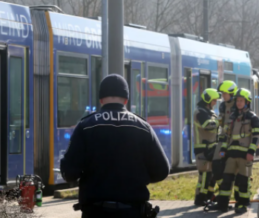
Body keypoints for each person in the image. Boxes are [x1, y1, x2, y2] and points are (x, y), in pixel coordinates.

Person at [60, 74, 170, 218]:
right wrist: (138, 178)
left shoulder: (85, 126)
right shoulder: (143, 127)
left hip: (95, 212)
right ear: (126, 99)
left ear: (101, 100)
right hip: (132, 212)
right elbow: (162, 171)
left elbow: (69, 173)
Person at [212, 88, 259, 214]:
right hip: (231, 154)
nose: (238, 102)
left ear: (247, 102)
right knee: (226, 180)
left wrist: (251, 152)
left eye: (241, 100)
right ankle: (223, 205)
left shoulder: (253, 117)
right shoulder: (232, 117)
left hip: (245, 155)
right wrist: (222, 149)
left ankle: (242, 205)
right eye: (237, 100)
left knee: (243, 182)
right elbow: (225, 135)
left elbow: (256, 137)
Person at [193, 88, 220, 206]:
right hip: (202, 149)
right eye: (214, 100)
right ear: (208, 100)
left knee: (212, 174)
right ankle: (200, 198)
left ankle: (209, 196)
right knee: (204, 175)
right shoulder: (200, 112)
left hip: (212, 148)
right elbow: (207, 125)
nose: (215, 103)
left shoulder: (210, 112)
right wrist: (220, 122)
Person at [210, 81, 237, 199]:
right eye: (222, 93)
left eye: (225, 93)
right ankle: (222, 189)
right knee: (216, 164)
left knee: (232, 170)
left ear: (232, 93)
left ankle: (229, 196)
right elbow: (221, 122)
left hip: (234, 141)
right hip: (223, 139)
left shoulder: (238, 105)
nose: (223, 96)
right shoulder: (222, 106)